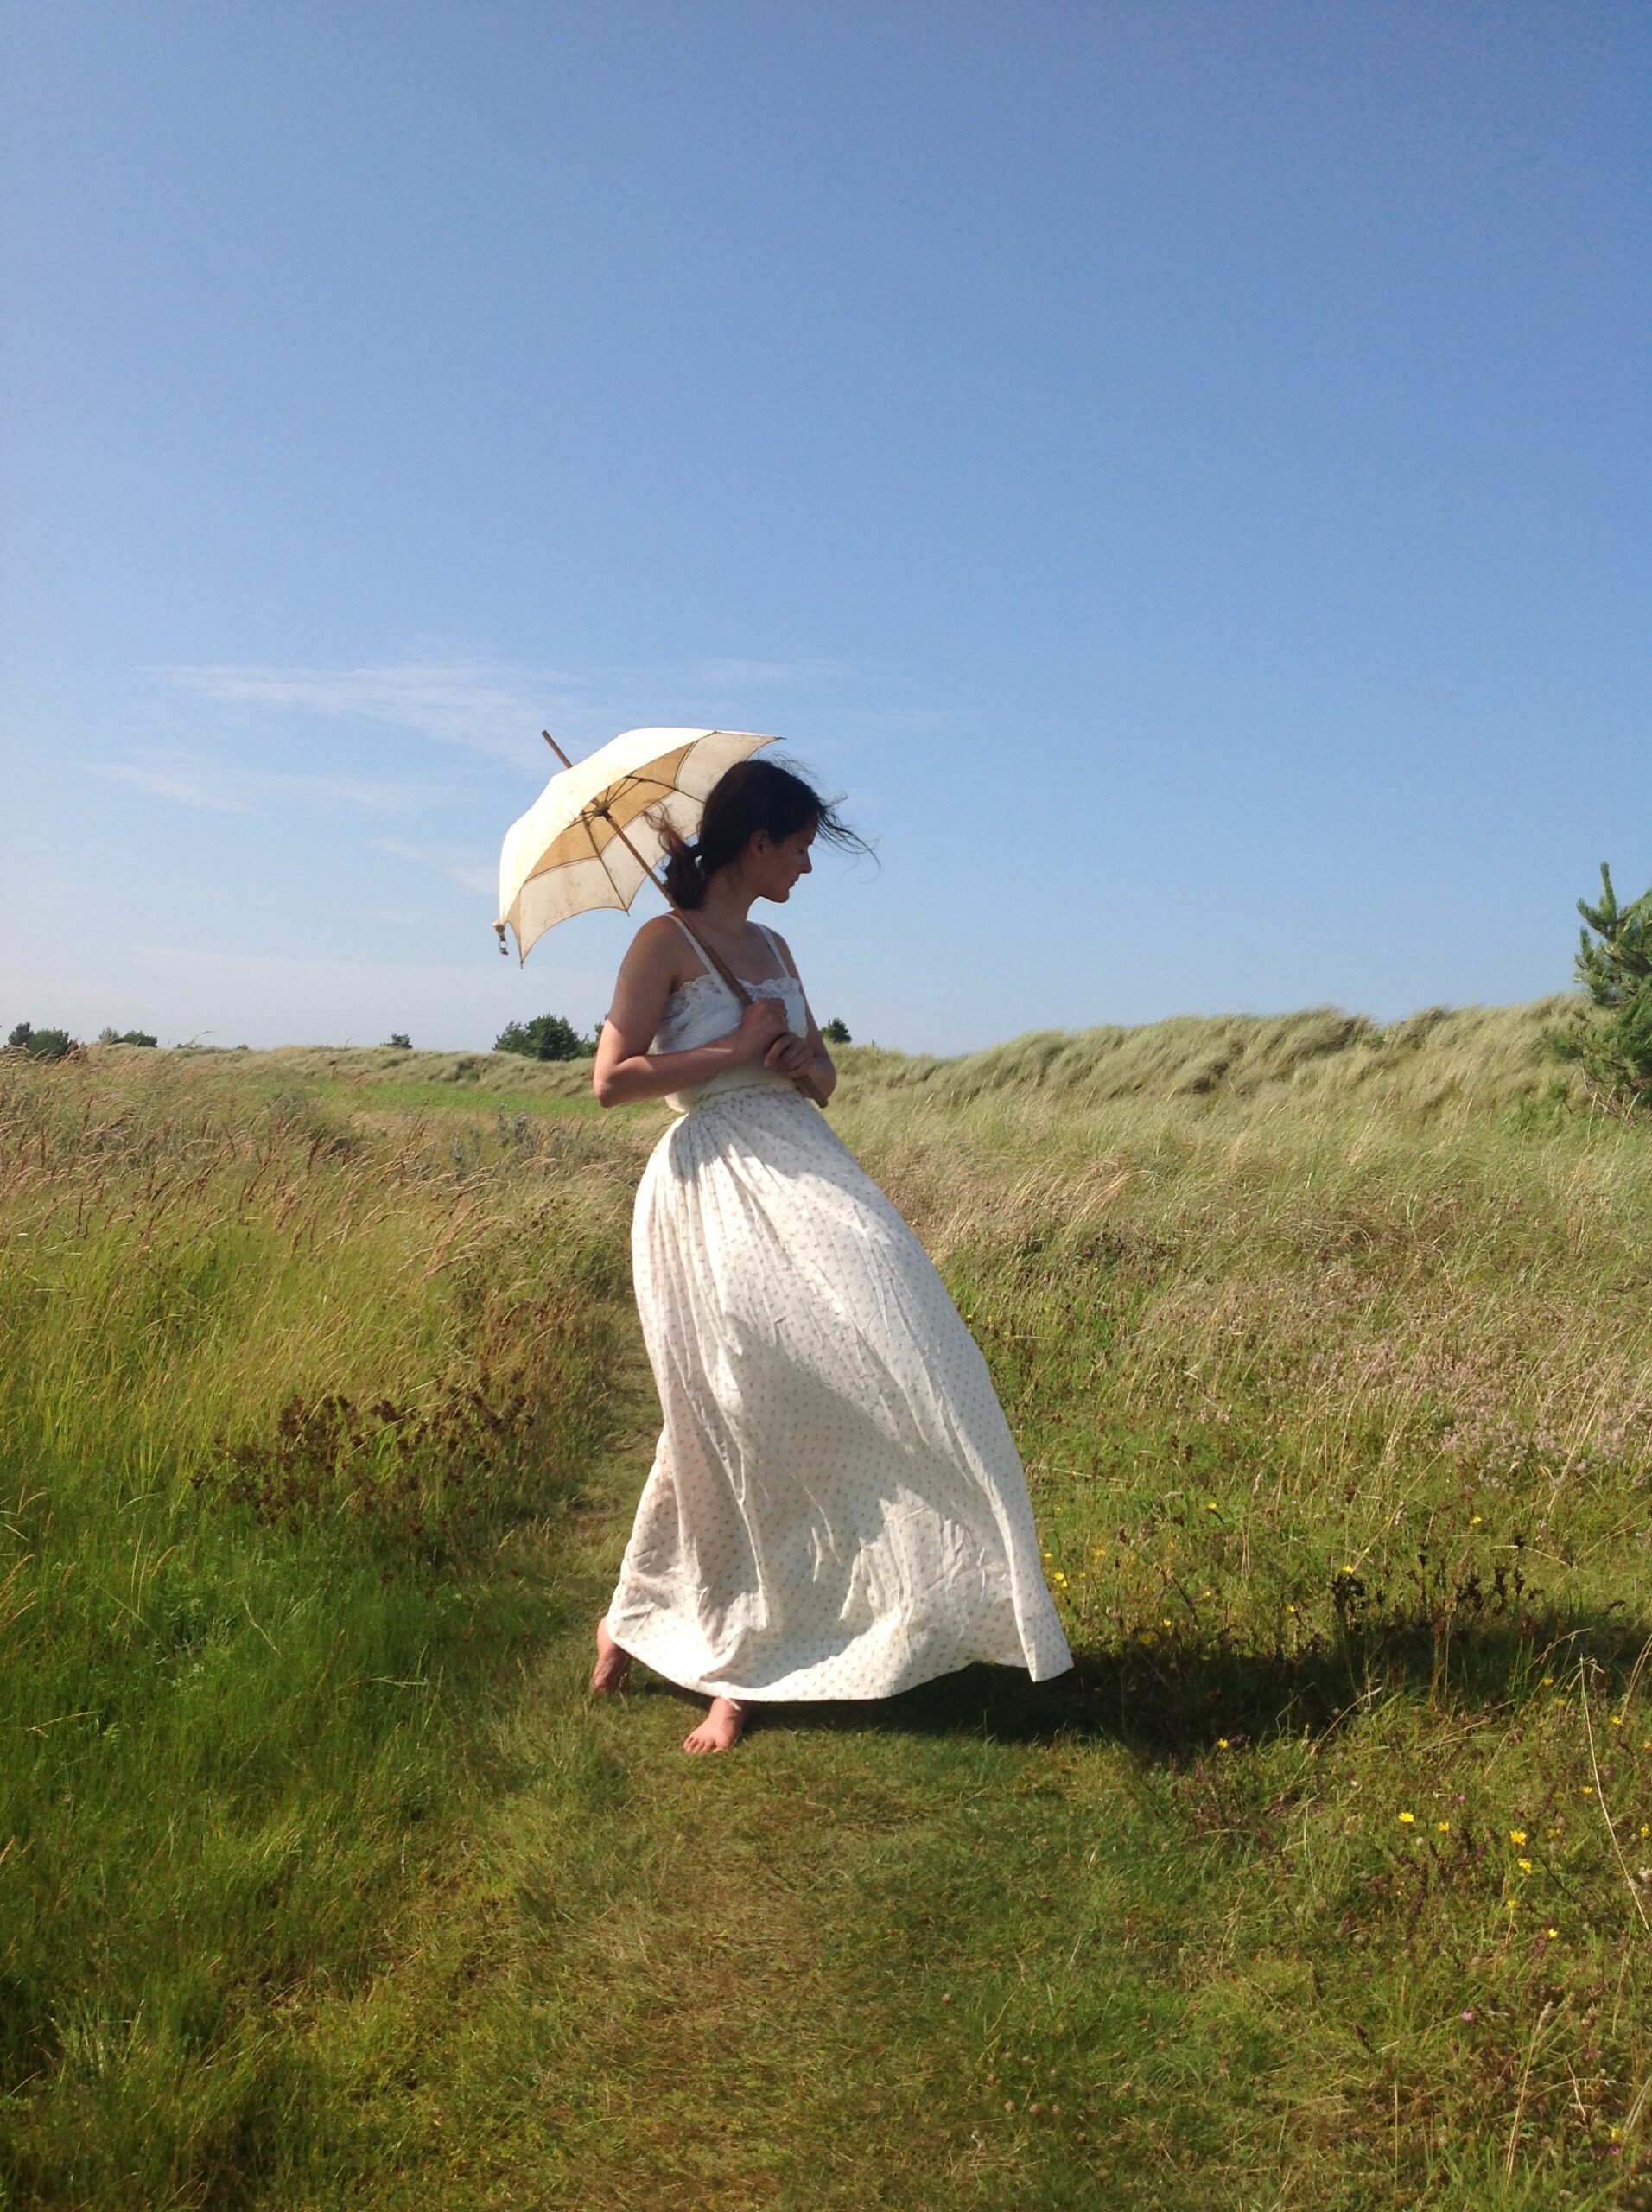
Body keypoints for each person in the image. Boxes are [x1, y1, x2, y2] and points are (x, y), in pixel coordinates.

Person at [588, 758, 1072, 1753]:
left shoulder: (770, 944)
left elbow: (824, 1078)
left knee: (907, 1360)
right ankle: (734, 1663)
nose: (809, 864)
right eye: (801, 844)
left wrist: (803, 1059)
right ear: (757, 842)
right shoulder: (660, 944)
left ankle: (917, 1604)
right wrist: (729, 1052)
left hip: (810, 1171)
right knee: (732, 1405)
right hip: (711, 1186)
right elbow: (610, 1080)